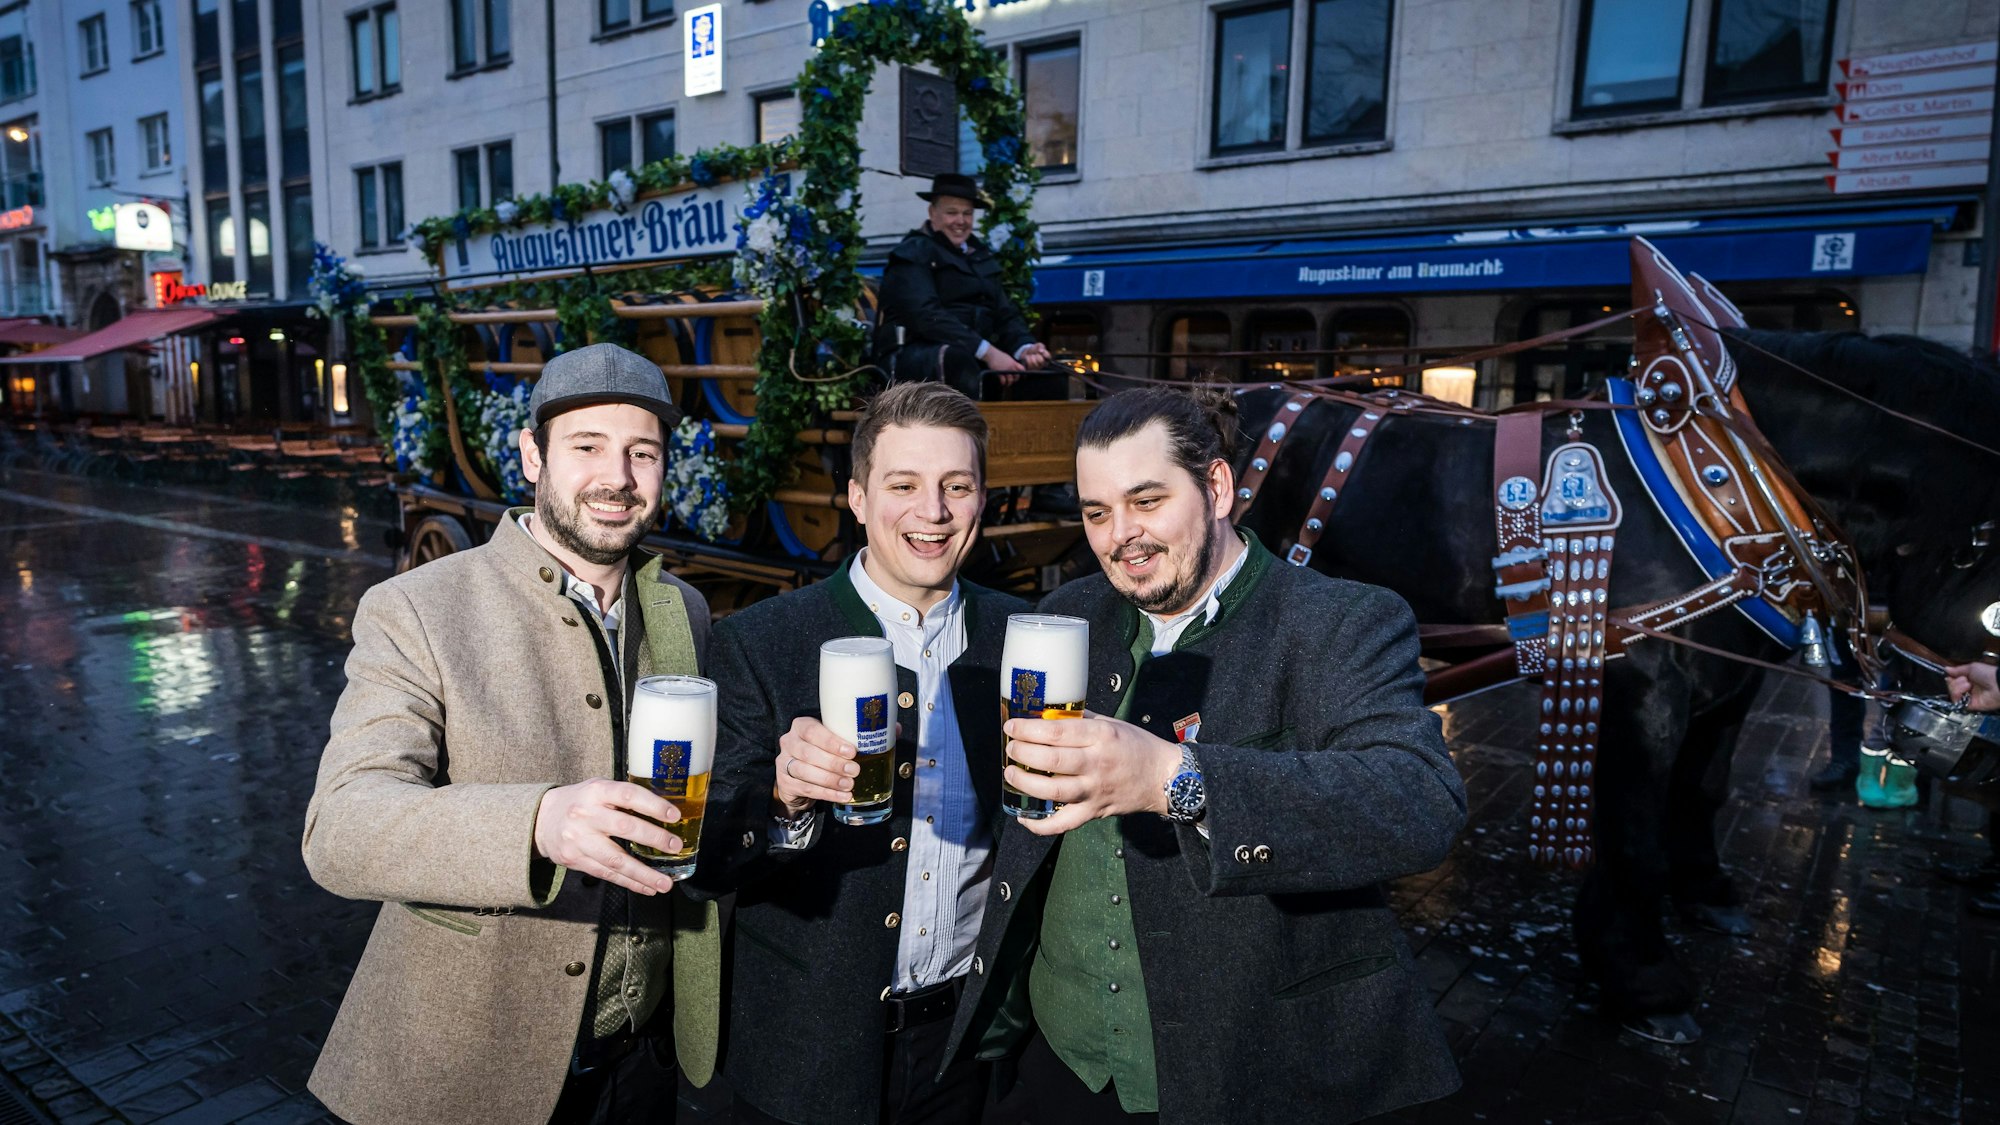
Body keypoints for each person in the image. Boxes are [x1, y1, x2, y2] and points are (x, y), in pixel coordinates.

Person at [943, 388, 1466, 1124]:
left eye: (1147, 501)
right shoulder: (1065, 616)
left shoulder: (1341, 620)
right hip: (1056, 1062)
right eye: (1096, 513)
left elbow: (1419, 802)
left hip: (1251, 1071)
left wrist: (1174, 779)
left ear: (1217, 488)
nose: (1120, 535)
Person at [302, 343, 720, 1125]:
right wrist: (535, 822)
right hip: (472, 1068)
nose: (618, 477)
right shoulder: (417, 607)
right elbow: (339, 828)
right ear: (532, 455)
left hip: (643, 1064)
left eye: (642, 452)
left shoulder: (684, 610)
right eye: (587, 446)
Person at [696, 382, 1029, 1125]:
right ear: (856, 496)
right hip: (803, 1051)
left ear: (982, 499)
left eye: (957, 486)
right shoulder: (763, 641)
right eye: (903, 485)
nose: (932, 511)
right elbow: (708, 860)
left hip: (966, 1050)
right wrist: (782, 799)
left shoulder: (1027, 636)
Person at [873, 172, 1055, 401]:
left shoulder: (981, 256)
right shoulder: (912, 253)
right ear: (932, 213)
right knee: (957, 361)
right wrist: (989, 353)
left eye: (967, 213)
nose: (961, 221)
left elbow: (1005, 313)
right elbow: (925, 316)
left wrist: (1025, 348)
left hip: (976, 353)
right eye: (952, 212)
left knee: (1048, 372)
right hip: (918, 357)